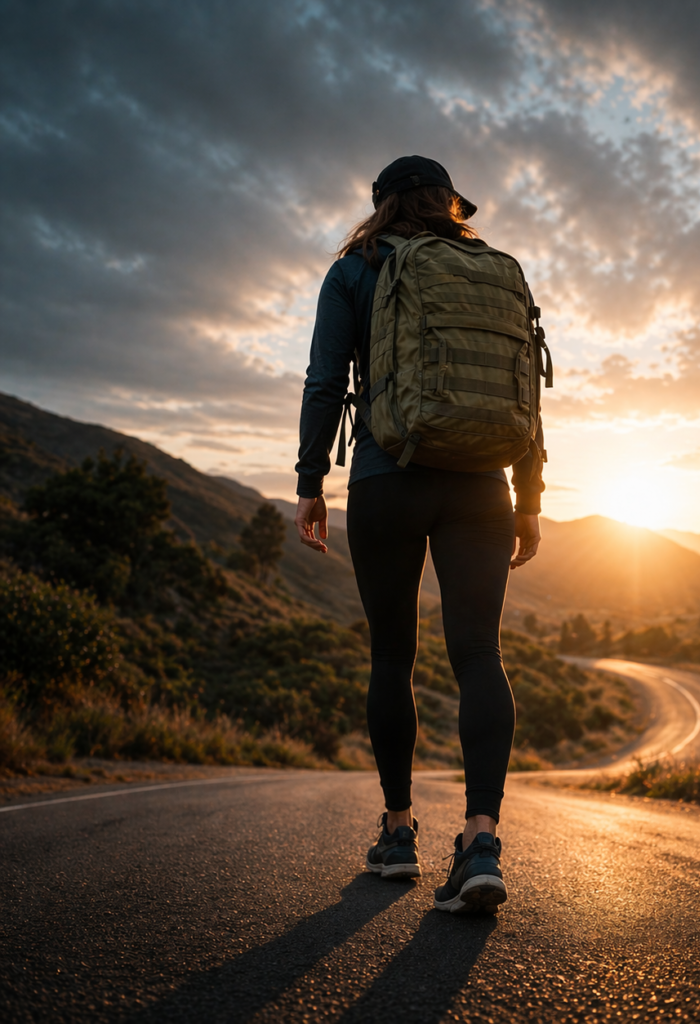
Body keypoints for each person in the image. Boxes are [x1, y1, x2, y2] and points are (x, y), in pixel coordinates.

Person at [293, 155, 545, 914]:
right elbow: (523, 385)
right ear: (448, 204)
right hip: (482, 484)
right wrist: (529, 496)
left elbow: (324, 383)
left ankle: (398, 832)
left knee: (393, 655)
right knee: (478, 655)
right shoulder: (494, 267)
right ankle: (480, 844)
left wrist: (311, 482)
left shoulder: (356, 270)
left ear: (383, 205)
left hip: (386, 474)